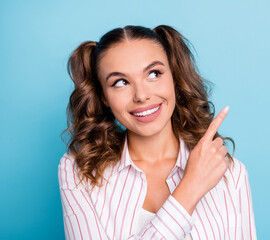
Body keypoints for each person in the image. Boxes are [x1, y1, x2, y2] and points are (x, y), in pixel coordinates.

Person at [58, 25, 257, 240]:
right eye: (120, 82)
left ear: (174, 78)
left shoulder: (230, 173)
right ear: (104, 96)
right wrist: (189, 190)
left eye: (154, 74)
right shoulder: (78, 171)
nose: (141, 95)